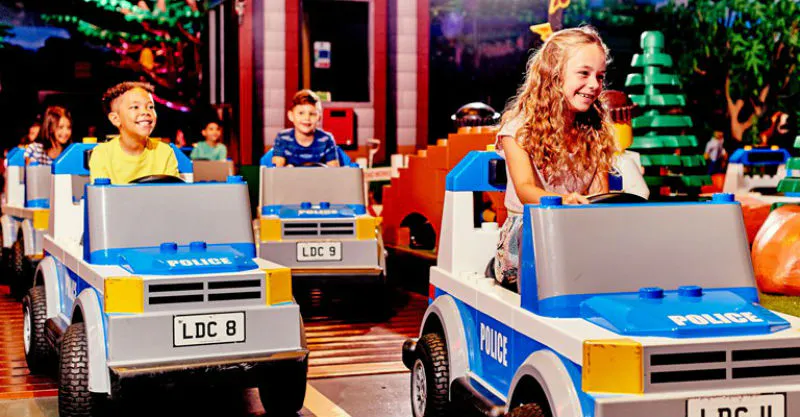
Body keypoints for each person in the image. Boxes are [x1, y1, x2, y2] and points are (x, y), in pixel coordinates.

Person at [493, 27, 616, 287]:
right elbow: (525, 189)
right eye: (584, 73)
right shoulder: (519, 130)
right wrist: (563, 201)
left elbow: (600, 196)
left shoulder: (595, 132)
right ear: (554, 75)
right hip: (528, 235)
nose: (595, 85)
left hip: (575, 232)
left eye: (600, 76)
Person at [89, 81, 179, 184]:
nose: (145, 112)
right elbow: (101, 192)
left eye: (150, 107)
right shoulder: (102, 154)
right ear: (116, 119)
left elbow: (172, 190)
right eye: (135, 107)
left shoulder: (165, 152)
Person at [271, 90, 339, 167]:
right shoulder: (283, 138)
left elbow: (334, 171)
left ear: (319, 117)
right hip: (291, 175)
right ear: (291, 116)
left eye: (312, 114)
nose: (306, 118)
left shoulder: (326, 139)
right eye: (301, 113)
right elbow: (277, 170)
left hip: (319, 174)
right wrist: (287, 168)